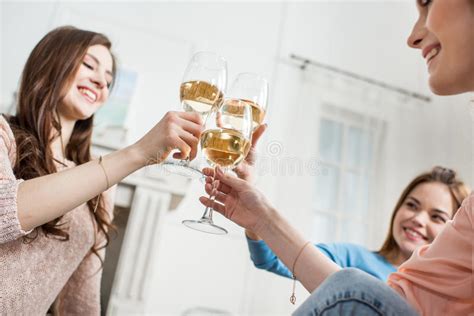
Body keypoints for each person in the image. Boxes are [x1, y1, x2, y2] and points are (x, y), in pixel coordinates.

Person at [199, 0, 474, 315]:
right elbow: (364, 299)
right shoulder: (364, 262)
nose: (412, 36)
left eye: (427, 3)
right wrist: (260, 216)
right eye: (412, 205)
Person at [0, 26, 203, 314]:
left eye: (108, 80)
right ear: (50, 63)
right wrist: (139, 152)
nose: (101, 82)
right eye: (89, 65)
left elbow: (80, 301)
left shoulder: (101, 189)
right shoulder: (4, 135)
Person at [245, 166, 469, 281]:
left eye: (436, 217)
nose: (418, 219)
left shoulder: (447, 289)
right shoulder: (351, 259)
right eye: (412, 205)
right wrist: (253, 212)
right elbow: (271, 258)